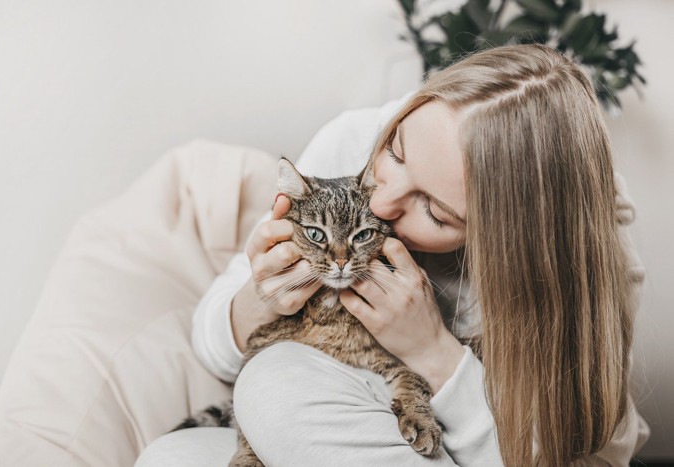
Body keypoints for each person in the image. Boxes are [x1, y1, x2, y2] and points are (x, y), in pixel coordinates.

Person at [135, 43, 649, 466]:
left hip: (476, 448)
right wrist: (262, 295)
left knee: (275, 384)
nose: (380, 201)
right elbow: (213, 345)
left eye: (435, 210)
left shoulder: (585, 261)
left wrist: (433, 351)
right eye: (396, 153)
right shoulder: (358, 141)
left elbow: (568, 458)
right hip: (342, 417)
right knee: (170, 457)